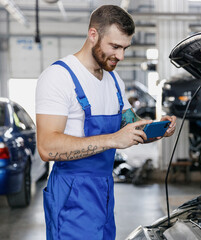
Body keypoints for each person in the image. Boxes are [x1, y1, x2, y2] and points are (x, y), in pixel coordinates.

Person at [35, 5, 176, 240]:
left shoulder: (113, 80)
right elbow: (47, 147)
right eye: (115, 46)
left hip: (104, 189)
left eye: (125, 48)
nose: (120, 56)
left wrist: (156, 129)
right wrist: (112, 140)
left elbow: (130, 124)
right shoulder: (59, 77)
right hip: (72, 193)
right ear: (93, 35)